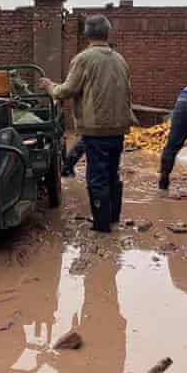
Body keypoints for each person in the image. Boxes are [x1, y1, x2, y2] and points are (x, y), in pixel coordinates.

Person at [39, 15, 133, 233]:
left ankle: (101, 228)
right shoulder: (120, 59)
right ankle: (112, 218)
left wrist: (49, 86)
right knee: (112, 173)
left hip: (96, 129)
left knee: (96, 177)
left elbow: (66, 91)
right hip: (119, 128)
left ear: (86, 34)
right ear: (107, 33)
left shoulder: (83, 59)